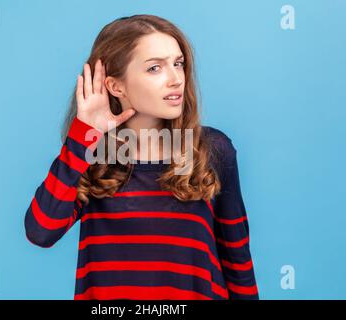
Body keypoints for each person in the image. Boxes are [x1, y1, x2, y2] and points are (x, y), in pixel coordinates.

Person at [24, 14, 259, 300]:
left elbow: (237, 260)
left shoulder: (211, 149)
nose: (175, 79)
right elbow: (41, 232)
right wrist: (84, 135)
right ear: (115, 86)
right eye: (155, 68)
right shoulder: (91, 154)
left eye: (178, 63)